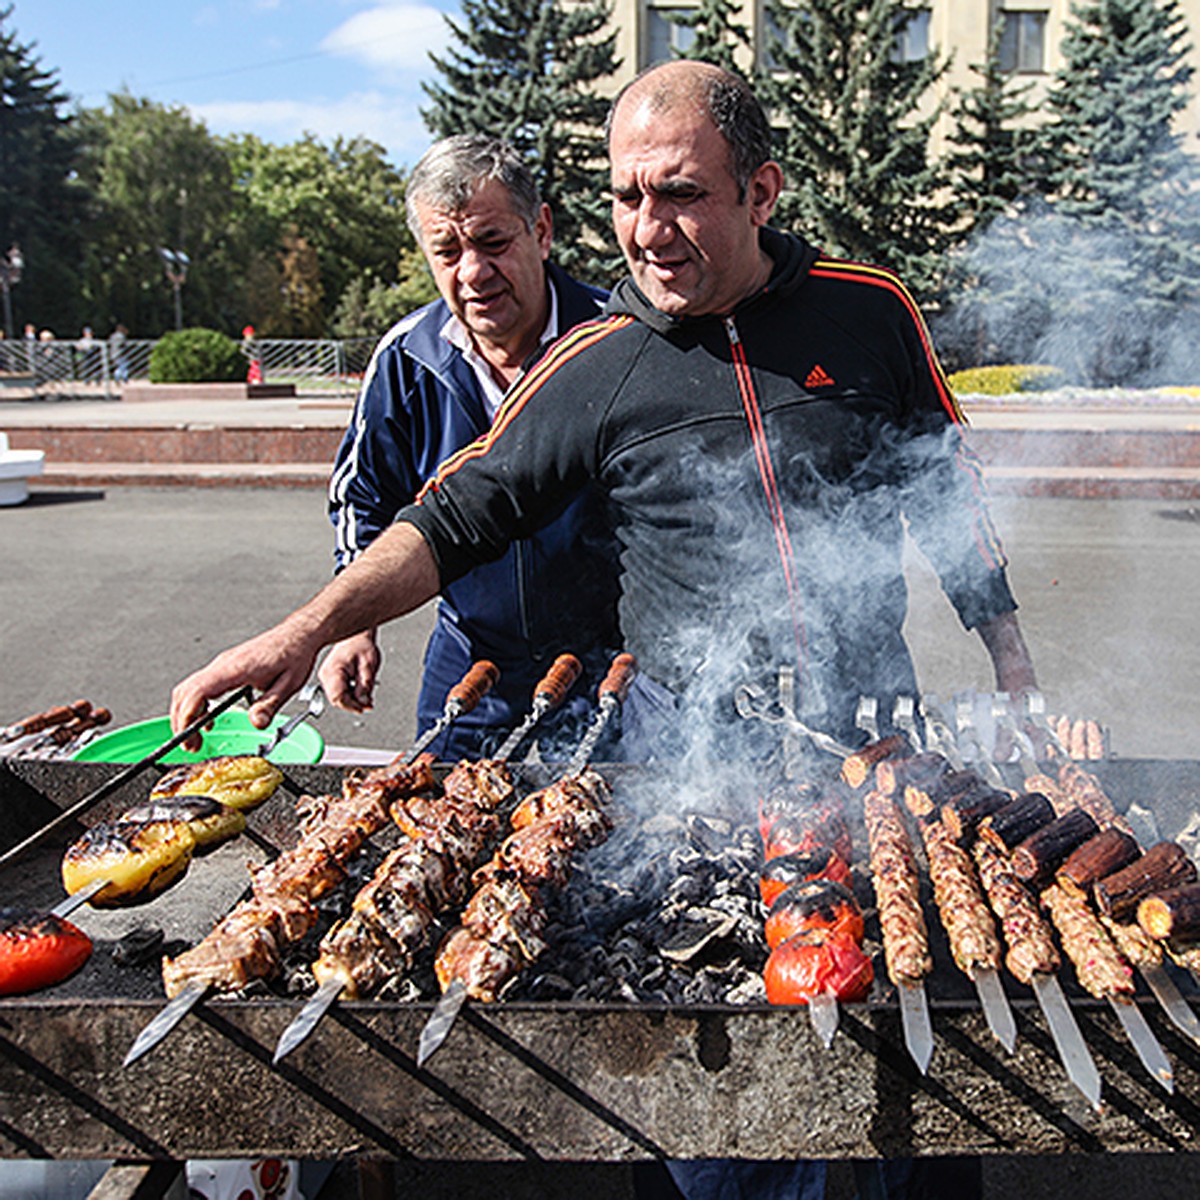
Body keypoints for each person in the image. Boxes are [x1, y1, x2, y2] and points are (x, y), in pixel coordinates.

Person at [171, 58, 1036, 1200]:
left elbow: (944, 494)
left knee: (907, 1046)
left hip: (872, 731)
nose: (647, 229)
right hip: (696, 757)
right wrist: (302, 629)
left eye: (679, 194)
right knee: (719, 1074)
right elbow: (453, 513)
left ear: (762, 191)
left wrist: (1012, 659)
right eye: (628, 198)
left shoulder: (867, 311)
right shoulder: (599, 358)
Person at [319, 134, 620, 758]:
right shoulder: (407, 360)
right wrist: (355, 623)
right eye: (447, 250)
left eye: (493, 242)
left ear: (541, 230)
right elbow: (364, 498)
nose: (473, 272)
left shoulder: (616, 341)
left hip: (608, 656)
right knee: (439, 825)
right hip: (471, 652)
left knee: (614, 836)